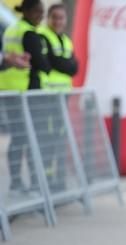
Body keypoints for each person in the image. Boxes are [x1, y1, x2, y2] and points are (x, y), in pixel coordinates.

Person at [0, 0, 51, 194]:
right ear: (28, 11)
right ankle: (26, 183)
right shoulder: (28, 32)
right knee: (26, 138)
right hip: (23, 91)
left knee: (18, 137)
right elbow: (42, 64)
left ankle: (17, 182)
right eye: (38, 12)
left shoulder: (12, 28)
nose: (41, 16)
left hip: (9, 89)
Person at [38, 3, 78, 191]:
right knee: (48, 137)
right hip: (48, 95)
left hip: (63, 95)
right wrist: (64, 64)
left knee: (61, 137)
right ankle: (46, 179)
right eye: (54, 17)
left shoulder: (66, 40)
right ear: (48, 18)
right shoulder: (43, 37)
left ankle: (58, 177)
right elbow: (51, 63)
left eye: (61, 18)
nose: (58, 21)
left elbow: (74, 67)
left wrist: (63, 64)